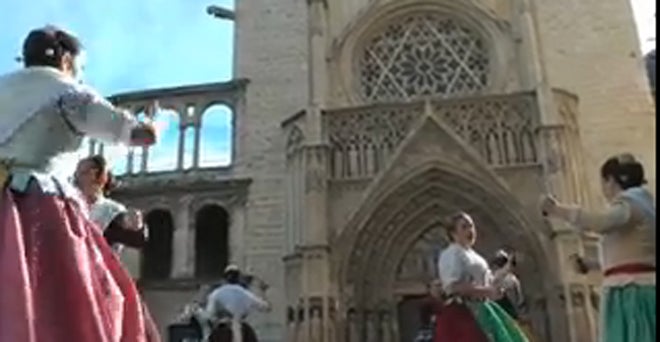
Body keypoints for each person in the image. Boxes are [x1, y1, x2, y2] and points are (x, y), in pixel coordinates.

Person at [0, 26, 159, 342]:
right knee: (69, 304)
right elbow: (137, 135)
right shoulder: (69, 93)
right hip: (40, 207)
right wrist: (152, 124)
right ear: (66, 59)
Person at [540, 153, 655, 342]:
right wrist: (591, 264)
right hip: (636, 287)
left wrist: (557, 210)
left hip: (632, 294)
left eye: (603, 182)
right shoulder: (646, 205)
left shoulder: (631, 204)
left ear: (610, 180)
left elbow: (601, 222)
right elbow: (633, 258)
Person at [74, 154, 161, 342]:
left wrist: (138, 227)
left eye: (84, 171)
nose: (77, 177)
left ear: (99, 176)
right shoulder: (72, 205)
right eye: (78, 172)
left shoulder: (109, 210)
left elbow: (135, 238)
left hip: (100, 280)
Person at [435, 212, 528, 342]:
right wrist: (487, 291)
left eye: (471, 226)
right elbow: (453, 287)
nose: (470, 230)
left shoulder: (473, 255)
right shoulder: (452, 253)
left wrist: (507, 268)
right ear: (453, 233)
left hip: (482, 308)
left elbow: (489, 280)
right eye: (464, 227)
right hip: (463, 312)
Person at [205, 265, 271, 342]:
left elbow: (209, 314)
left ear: (225, 278)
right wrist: (264, 292)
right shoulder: (245, 293)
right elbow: (266, 307)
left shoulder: (216, 293)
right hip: (240, 326)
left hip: (222, 327)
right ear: (238, 278)